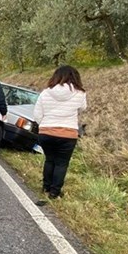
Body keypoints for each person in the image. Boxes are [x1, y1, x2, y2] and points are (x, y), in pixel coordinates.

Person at [33, 65, 87, 199]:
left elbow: (37, 115)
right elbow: (83, 108)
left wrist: (45, 125)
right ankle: (54, 192)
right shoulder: (80, 93)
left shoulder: (45, 93)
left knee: (49, 159)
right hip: (68, 134)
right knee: (61, 163)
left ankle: (46, 187)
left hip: (46, 132)